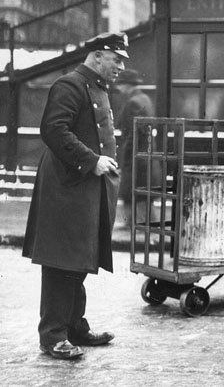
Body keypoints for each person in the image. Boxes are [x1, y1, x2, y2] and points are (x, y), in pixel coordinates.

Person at [22, 32, 129, 360]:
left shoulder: (95, 86)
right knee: (61, 261)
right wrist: (92, 160)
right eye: (116, 59)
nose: (121, 67)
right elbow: (54, 130)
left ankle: (74, 327)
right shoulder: (70, 84)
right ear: (97, 55)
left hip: (84, 187)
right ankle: (53, 336)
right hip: (67, 188)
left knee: (79, 259)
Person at [114, 68, 157, 227]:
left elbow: (133, 134)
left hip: (135, 156)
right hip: (146, 155)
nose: (118, 88)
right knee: (143, 194)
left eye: (120, 85)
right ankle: (143, 224)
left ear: (127, 85)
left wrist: (125, 157)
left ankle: (133, 226)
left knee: (131, 192)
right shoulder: (144, 99)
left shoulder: (132, 102)